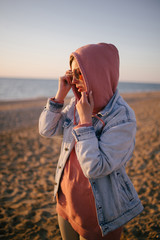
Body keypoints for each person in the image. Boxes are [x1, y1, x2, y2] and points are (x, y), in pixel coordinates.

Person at [39, 43, 143, 240]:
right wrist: (61, 95)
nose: (75, 81)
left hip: (98, 216)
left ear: (98, 73)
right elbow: (47, 130)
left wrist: (85, 121)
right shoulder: (77, 104)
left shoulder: (122, 118)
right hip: (66, 202)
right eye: (72, 74)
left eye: (81, 74)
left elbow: (95, 168)